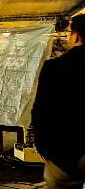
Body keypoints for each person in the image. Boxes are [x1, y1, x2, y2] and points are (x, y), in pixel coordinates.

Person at [32, 15, 85, 189]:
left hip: (63, 151)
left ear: (76, 36)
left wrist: (43, 147)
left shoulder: (55, 68)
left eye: (69, 32)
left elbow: (42, 111)